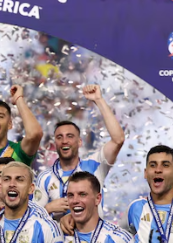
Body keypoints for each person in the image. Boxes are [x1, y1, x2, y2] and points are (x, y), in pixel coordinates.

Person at [35, 85, 125, 217]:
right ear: (55, 143)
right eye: (59, 137)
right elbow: (32, 219)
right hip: (58, 237)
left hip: (93, 237)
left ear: (79, 142)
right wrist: (48, 208)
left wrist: (98, 100)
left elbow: (118, 139)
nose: (64, 141)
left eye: (70, 136)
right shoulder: (44, 177)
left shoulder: (95, 165)